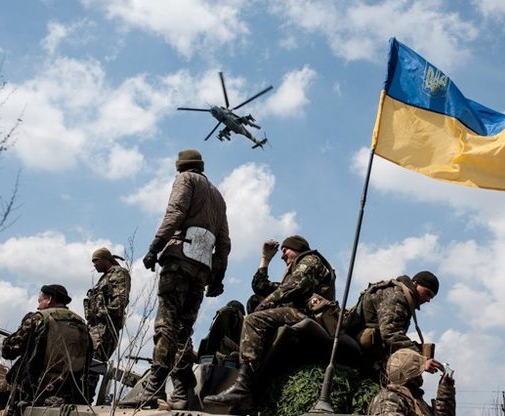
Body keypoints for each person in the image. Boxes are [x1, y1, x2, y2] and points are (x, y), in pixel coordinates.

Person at [121, 149, 230, 410]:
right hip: (202, 268)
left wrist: (155, 247)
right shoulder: (218, 196)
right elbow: (224, 242)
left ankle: (153, 387)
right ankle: (181, 389)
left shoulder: (186, 179)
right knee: (183, 331)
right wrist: (217, 276)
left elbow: (175, 212)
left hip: (179, 259)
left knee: (166, 325)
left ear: (181, 166)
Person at [203, 235, 336, 414]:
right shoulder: (294, 269)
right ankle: (248, 370)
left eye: (285, 250)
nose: (282, 256)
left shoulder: (311, 260)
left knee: (254, 319)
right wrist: (265, 259)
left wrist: (268, 302)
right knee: (254, 300)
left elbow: (294, 286)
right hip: (296, 313)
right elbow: (261, 286)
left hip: (310, 315)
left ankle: (242, 389)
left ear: (298, 248)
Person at [0, 285, 91, 416]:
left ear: (49, 299)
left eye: (40, 301)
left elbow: (8, 351)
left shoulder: (40, 317)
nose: (38, 307)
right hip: (67, 392)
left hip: (31, 389)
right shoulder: (82, 325)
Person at [343, 271, 440, 382]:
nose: (428, 300)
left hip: (371, 351)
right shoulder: (397, 296)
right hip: (359, 350)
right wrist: (420, 358)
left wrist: (418, 349)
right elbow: (390, 333)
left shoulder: (405, 297)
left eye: (431, 297)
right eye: (427, 293)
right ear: (415, 283)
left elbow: (394, 333)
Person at [83, 247, 131, 402]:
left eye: (96, 261)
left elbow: (120, 301)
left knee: (93, 364)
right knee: (86, 362)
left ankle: (85, 398)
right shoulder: (105, 277)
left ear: (105, 260)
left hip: (105, 327)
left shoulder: (119, 273)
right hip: (95, 326)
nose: (94, 265)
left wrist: (102, 314)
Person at [367, 348, 455, 416]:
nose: (421, 374)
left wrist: (445, 388)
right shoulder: (389, 399)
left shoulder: (413, 399)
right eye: (419, 371)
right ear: (412, 375)